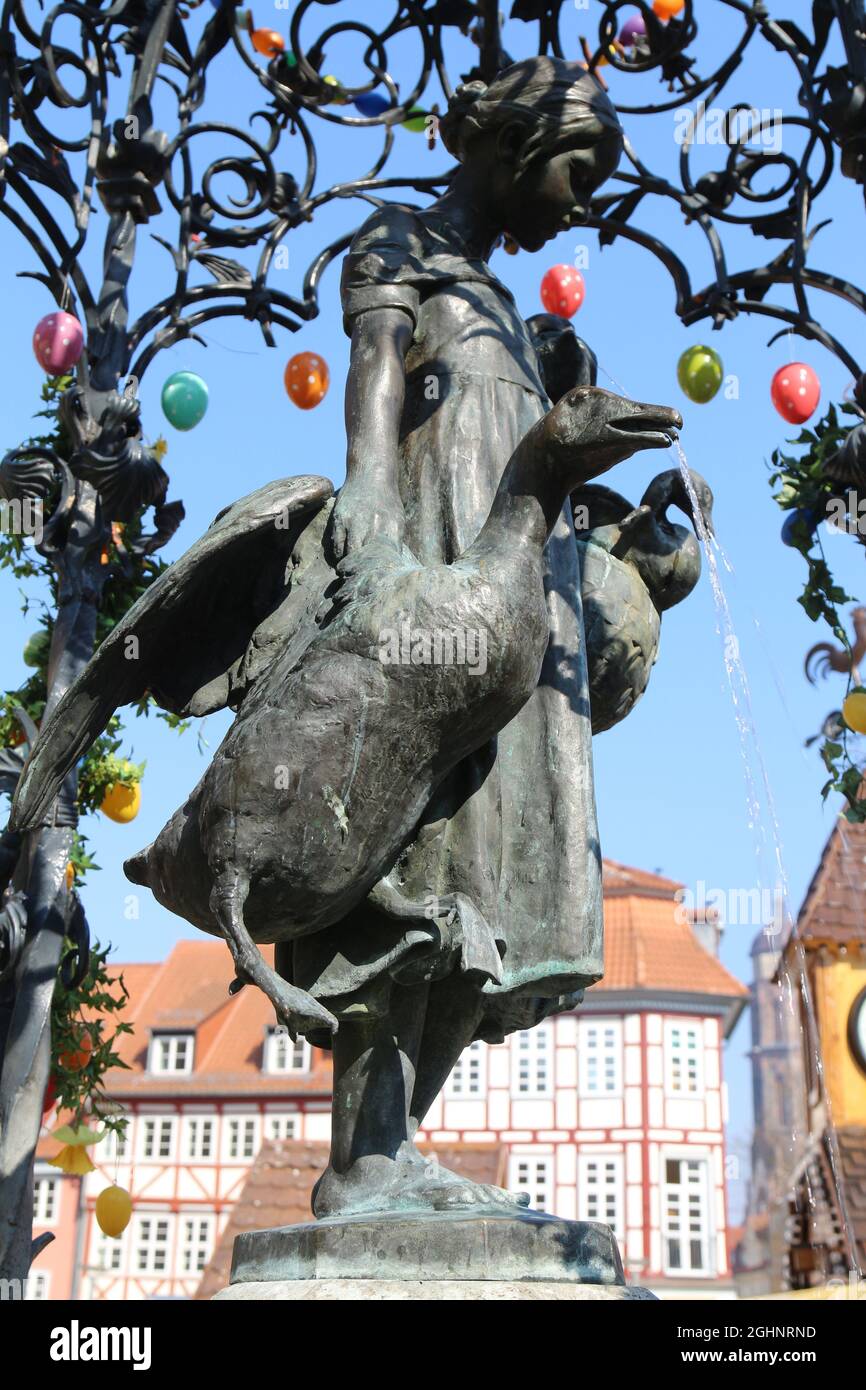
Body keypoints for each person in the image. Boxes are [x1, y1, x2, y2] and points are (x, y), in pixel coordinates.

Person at [291, 56, 625, 1216]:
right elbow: (374, 381)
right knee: (409, 848)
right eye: (578, 171)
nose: (581, 204)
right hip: (434, 568)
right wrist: (371, 522)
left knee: (486, 858)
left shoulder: (501, 304)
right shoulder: (399, 244)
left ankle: (393, 1151)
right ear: (516, 143)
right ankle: (359, 1163)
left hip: (510, 603)